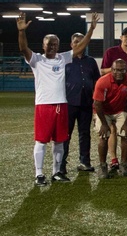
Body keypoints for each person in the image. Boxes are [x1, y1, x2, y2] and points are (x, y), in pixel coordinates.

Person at [17, 11, 98, 185]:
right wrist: (22, 31)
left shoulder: (63, 58)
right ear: (43, 45)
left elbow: (80, 48)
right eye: (49, 44)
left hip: (62, 105)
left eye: (55, 44)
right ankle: (39, 174)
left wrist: (91, 29)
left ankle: (56, 172)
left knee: (60, 140)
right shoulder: (36, 60)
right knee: (41, 140)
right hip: (44, 105)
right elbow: (23, 48)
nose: (53, 47)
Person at [101, 26, 127, 169]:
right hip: (112, 96)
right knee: (112, 128)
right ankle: (114, 160)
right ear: (121, 37)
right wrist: (118, 70)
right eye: (125, 36)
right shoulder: (111, 52)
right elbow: (102, 71)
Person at [61, 30, 101, 174]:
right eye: (76, 41)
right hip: (69, 103)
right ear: (71, 44)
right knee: (65, 134)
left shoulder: (91, 61)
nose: (79, 44)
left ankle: (85, 162)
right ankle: (61, 164)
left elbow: (97, 80)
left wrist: (96, 99)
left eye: (81, 41)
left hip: (86, 103)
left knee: (85, 134)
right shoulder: (65, 60)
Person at [93, 59, 127, 178]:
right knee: (104, 136)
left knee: (126, 134)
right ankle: (103, 166)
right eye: (115, 70)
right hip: (103, 112)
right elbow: (97, 104)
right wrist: (104, 124)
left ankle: (124, 164)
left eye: (121, 70)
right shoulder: (102, 81)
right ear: (111, 70)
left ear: (126, 70)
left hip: (120, 111)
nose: (118, 72)